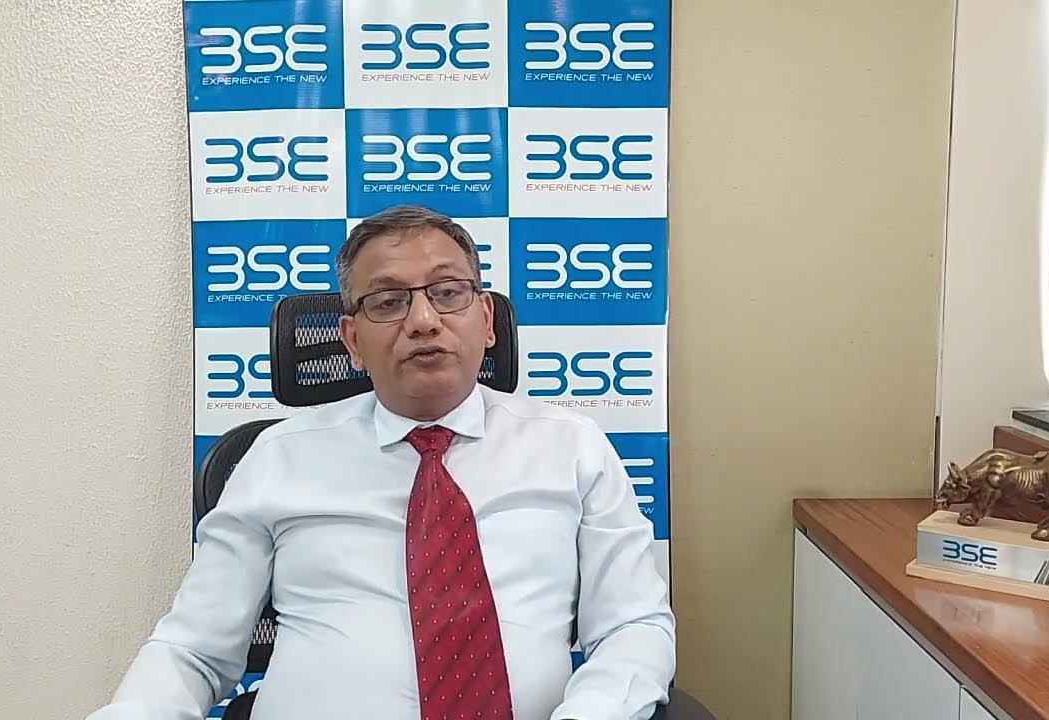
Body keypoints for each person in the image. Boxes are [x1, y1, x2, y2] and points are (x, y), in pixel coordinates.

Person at [87, 204, 676, 720]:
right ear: (351, 340)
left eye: (448, 292)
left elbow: (634, 626)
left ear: (487, 320)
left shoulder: (571, 447)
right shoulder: (278, 457)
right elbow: (193, 649)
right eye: (389, 302)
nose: (423, 321)